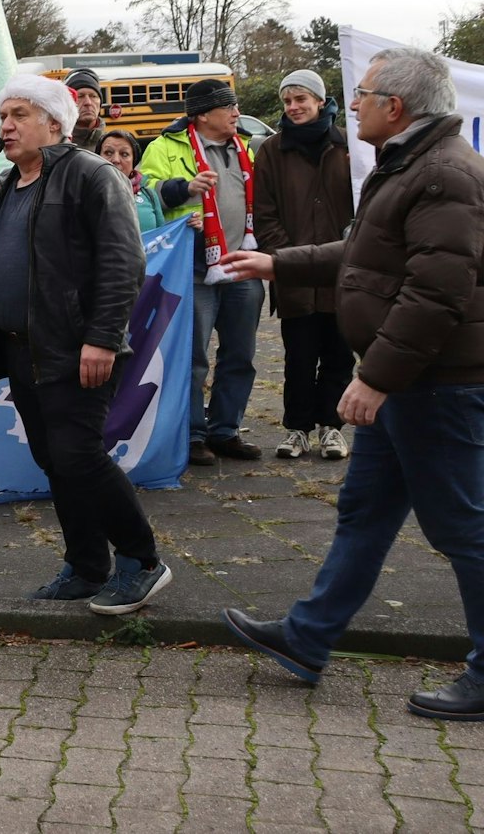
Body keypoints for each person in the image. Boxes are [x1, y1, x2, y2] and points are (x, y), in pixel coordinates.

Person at [219, 45, 484, 721]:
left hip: (436, 384)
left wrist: (376, 376)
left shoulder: (445, 174)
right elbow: (365, 254)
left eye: (362, 93)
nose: (352, 102)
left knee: (463, 529)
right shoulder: (409, 164)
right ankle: (308, 638)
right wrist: (279, 262)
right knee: (364, 514)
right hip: (411, 383)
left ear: (396, 106)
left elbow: (436, 292)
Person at [0, 75, 171, 614]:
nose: (6, 125)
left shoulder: (92, 175)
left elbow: (124, 261)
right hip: (21, 347)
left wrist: (101, 338)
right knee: (54, 459)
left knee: (79, 454)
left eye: (20, 114)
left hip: (76, 347)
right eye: (3, 115)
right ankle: (86, 564)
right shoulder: (5, 183)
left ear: (55, 123)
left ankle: (143, 561)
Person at [139, 78, 265, 466]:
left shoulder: (243, 146)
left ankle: (226, 429)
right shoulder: (163, 147)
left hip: (241, 265)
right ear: (203, 114)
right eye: (229, 107)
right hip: (193, 268)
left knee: (240, 353)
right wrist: (185, 188)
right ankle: (192, 434)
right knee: (194, 357)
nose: (236, 113)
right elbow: (146, 195)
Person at [252, 69, 355, 461]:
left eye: (301, 100)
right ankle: (297, 428)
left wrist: (353, 246)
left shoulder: (347, 144)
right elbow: (265, 213)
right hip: (294, 272)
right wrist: (286, 259)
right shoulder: (272, 150)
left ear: (319, 101)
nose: (294, 108)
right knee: (298, 354)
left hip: (343, 269)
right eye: (287, 101)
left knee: (339, 353)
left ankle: (332, 426)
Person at [98, 131, 163, 233]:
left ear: (134, 161)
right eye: (108, 153)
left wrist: (188, 225)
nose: (115, 160)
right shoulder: (86, 195)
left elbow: (163, 236)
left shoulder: (149, 195)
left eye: (124, 154)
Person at [66, 69, 107, 151]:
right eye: (80, 96)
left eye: (93, 96)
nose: (88, 102)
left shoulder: (111, 146)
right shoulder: (56, 144)